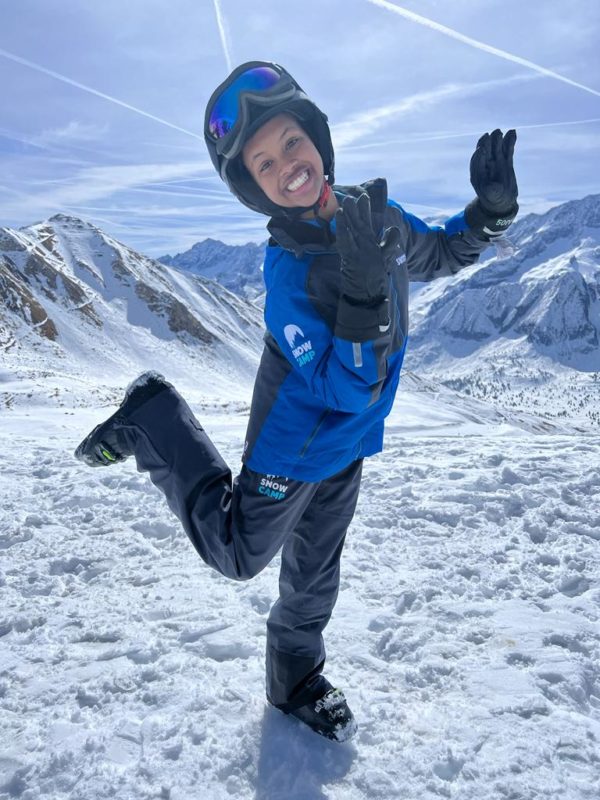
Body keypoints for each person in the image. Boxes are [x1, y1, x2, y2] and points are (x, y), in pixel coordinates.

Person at [74, 61, 519, 742]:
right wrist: (364, 300)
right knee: (237, 557)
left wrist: (488, 215)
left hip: (348, 449)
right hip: (293, 449)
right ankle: (154, 416)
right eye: (263, 163)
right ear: (254, 189)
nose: (286, 165)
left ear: (318, 140)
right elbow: (343, 388)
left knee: (313, 579)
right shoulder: (289, 275)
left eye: (290, 143)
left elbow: (439, 254)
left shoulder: (383, 220)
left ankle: (295, 683)